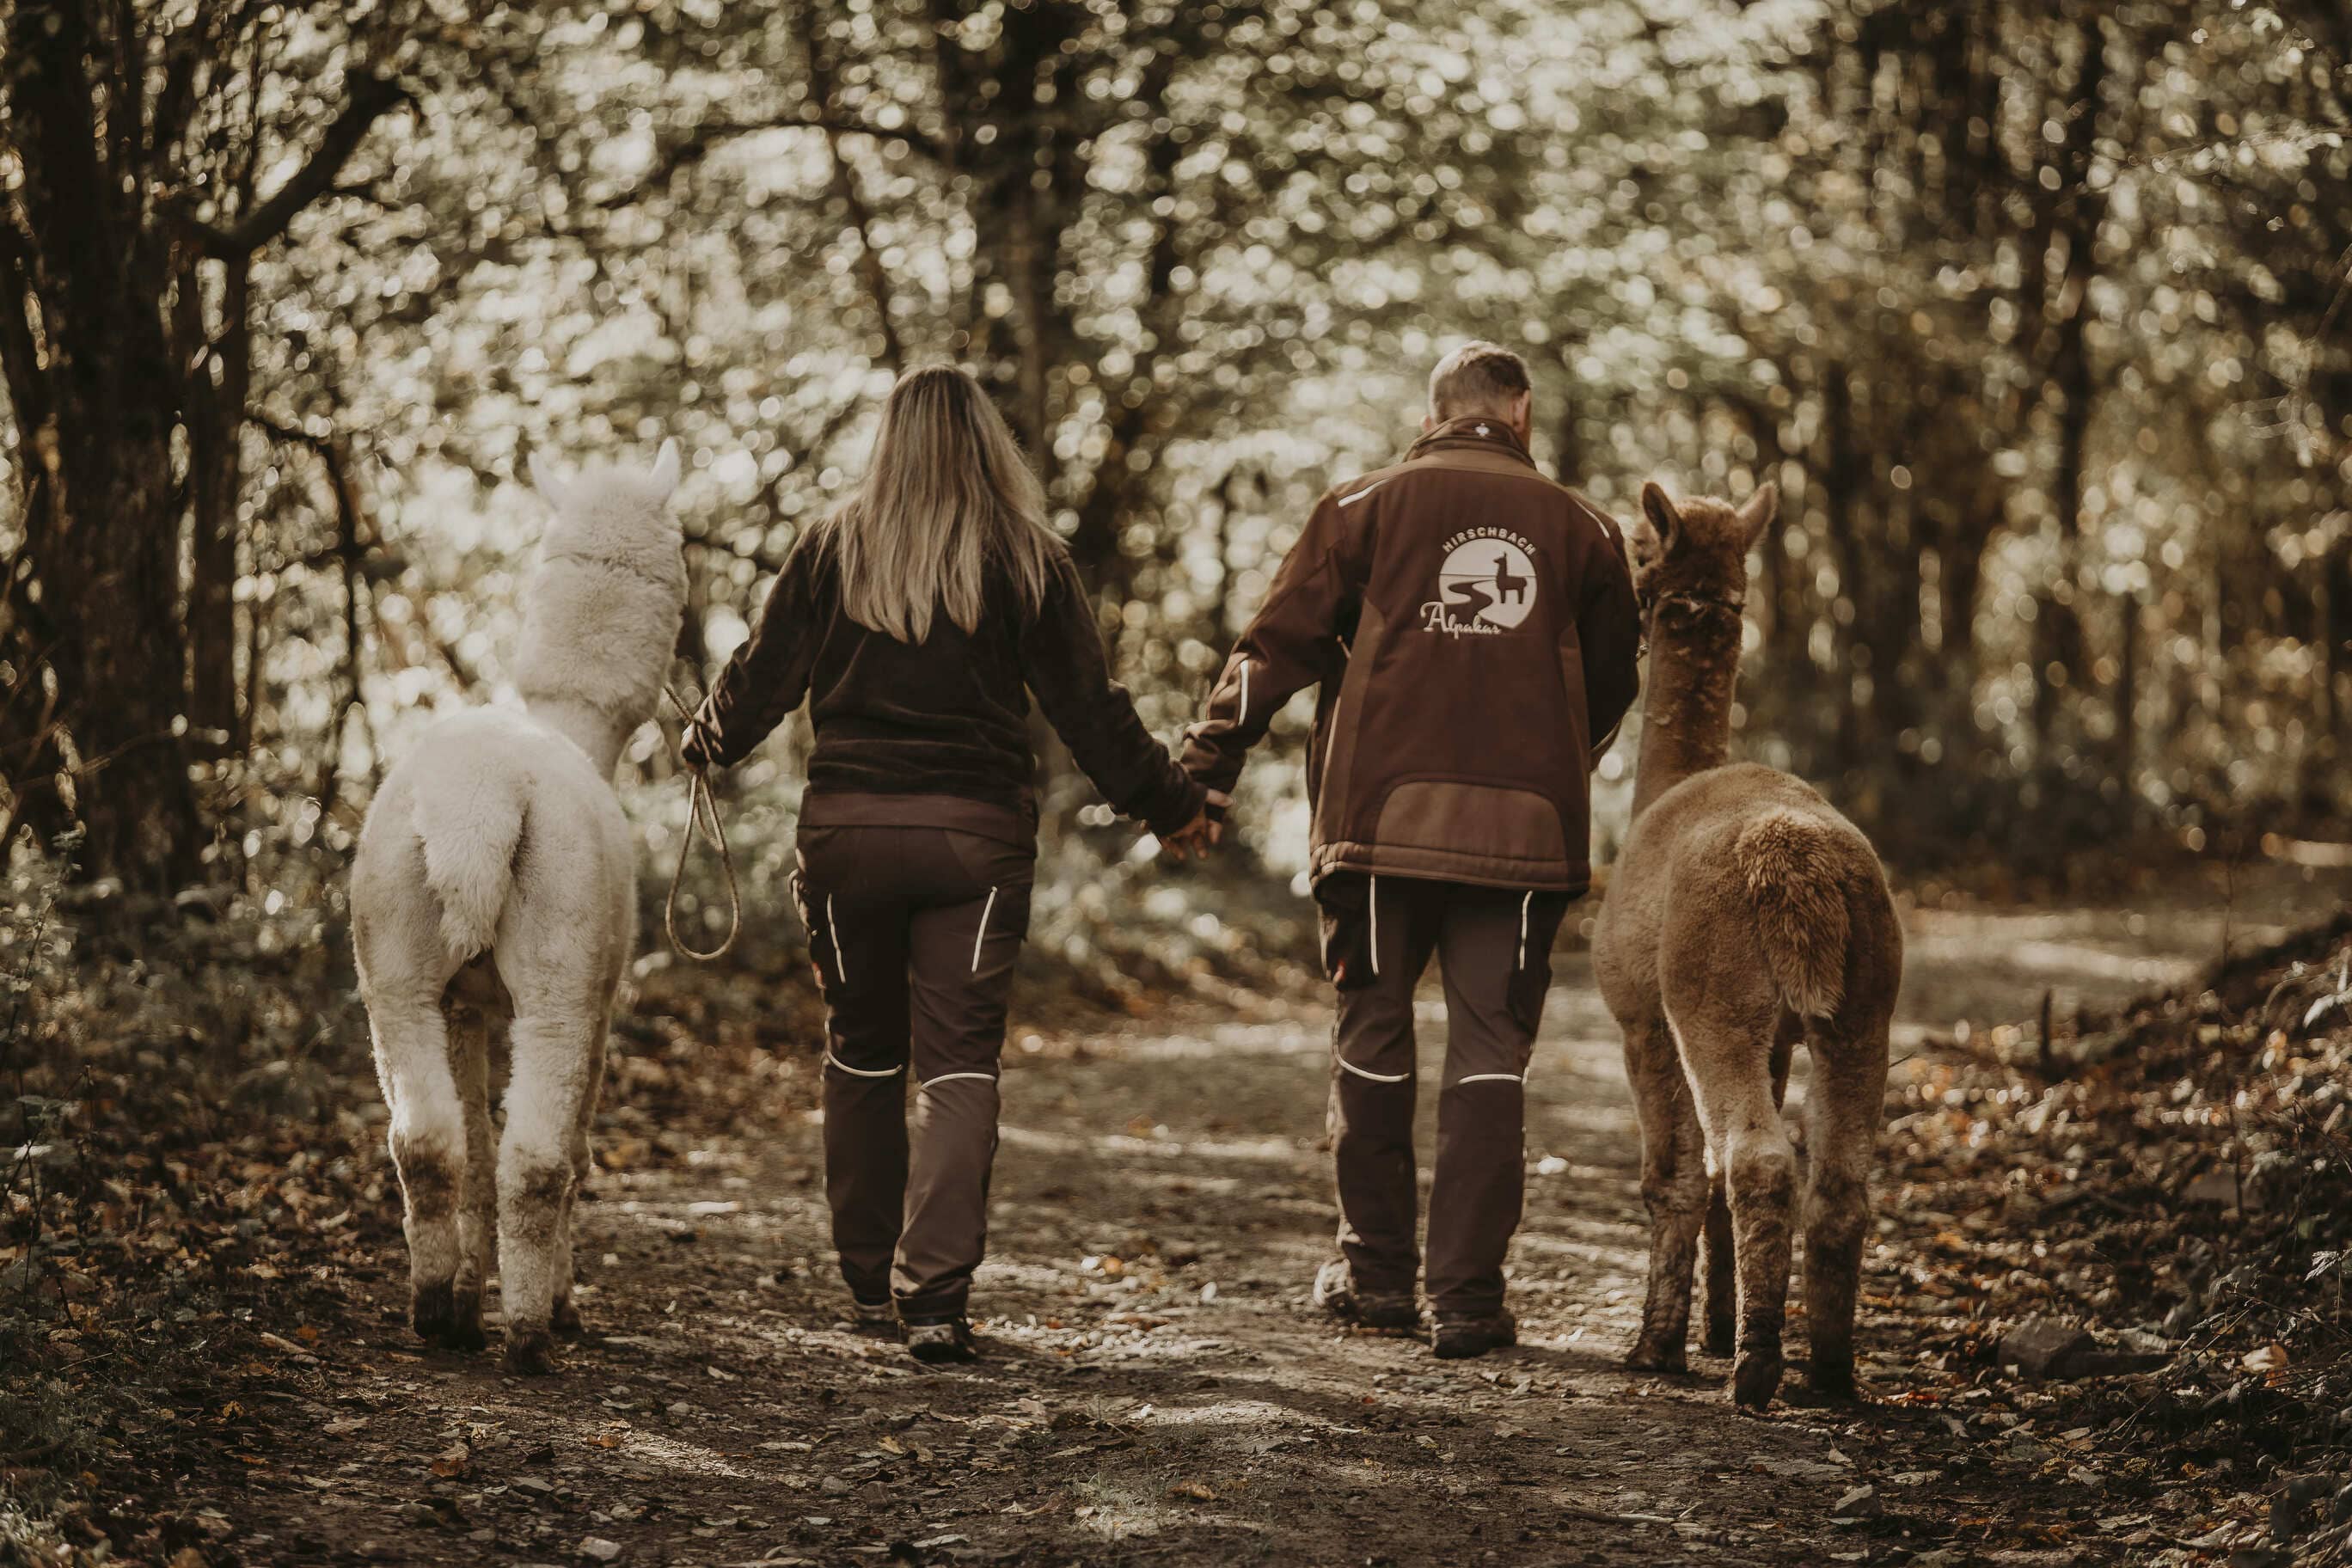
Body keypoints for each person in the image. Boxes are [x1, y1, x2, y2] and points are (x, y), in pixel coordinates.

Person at [682, 365, 1220, 1363]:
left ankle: (862, 1274)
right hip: (972, 842)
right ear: (986, 444)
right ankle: (932, 1298)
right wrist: (1173, 803)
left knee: (863, 1050)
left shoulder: (831, 547)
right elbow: (1088, 710)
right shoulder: (1028, 559)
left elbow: (762, 675)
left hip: (846, 836)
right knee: (960, 1062)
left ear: (888, 442)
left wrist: (708, 740)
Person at [1179, 342, 1642, 1358]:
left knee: (1374, 1033)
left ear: (1435, 413)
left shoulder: (1361, 508)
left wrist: (1206, 768)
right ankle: (1469, 1299)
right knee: (1491, 1050)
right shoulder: (1586, 529)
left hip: (1379, 829)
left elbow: (1274, 649)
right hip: (1526, 836)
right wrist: (1566, 754)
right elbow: (1614, 684)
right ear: (1520, 413)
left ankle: (1380, 1278)